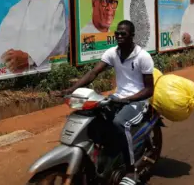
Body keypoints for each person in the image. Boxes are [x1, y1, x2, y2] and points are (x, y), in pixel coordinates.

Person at [56, 20, 154, 185]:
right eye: (117, 33)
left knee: (120, 123)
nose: (120, 36)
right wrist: (70, 90)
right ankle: (100, 160)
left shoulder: (143, 57)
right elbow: (93, 72)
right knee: (93, 119)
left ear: (132, 36)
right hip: (119, 97)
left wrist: (128, 99)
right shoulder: (112, 53)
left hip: (138, 101)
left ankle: (131, 170)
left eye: (124, 34)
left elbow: (149, 90)